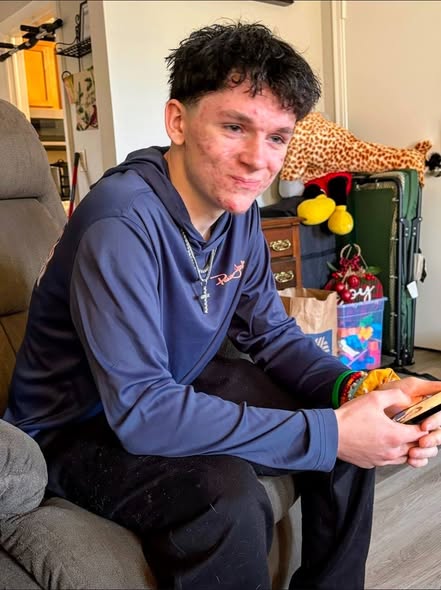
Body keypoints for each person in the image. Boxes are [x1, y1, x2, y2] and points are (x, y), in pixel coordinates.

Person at [6, 21, 441, 590]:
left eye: (278, 137)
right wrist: (330, 433)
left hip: (173, 386)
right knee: (227, 495)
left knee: (349, 413)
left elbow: (273, 335)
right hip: (76, 428)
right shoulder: (121, 224)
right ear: (178, 121)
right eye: (235, 127)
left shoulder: (238, 212)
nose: (259, 160)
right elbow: (142, 411)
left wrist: (358, 388)